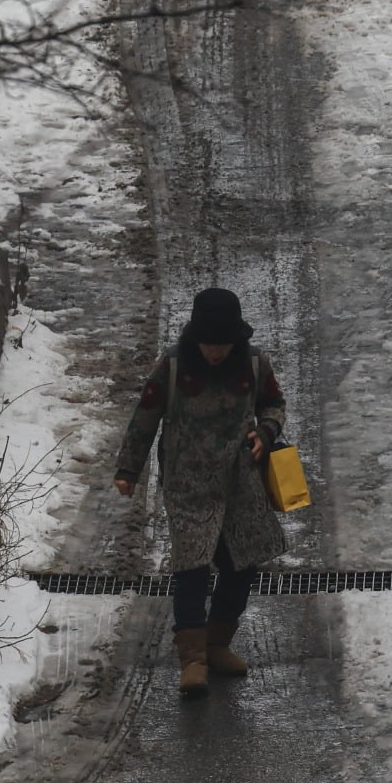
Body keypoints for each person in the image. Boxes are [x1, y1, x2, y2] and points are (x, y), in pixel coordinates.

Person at [114, 287, 286, 696]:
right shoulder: (173, 367)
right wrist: (128, 468)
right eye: (209, 345)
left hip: (240, 483)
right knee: (191, 568)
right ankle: (191, 660)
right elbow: (145, 417)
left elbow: (275, 404)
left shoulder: (255, 364)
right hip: (188, 485)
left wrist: (265, 431)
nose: (215, 353)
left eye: (223, 346)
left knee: (240, 565)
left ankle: (217, 644)